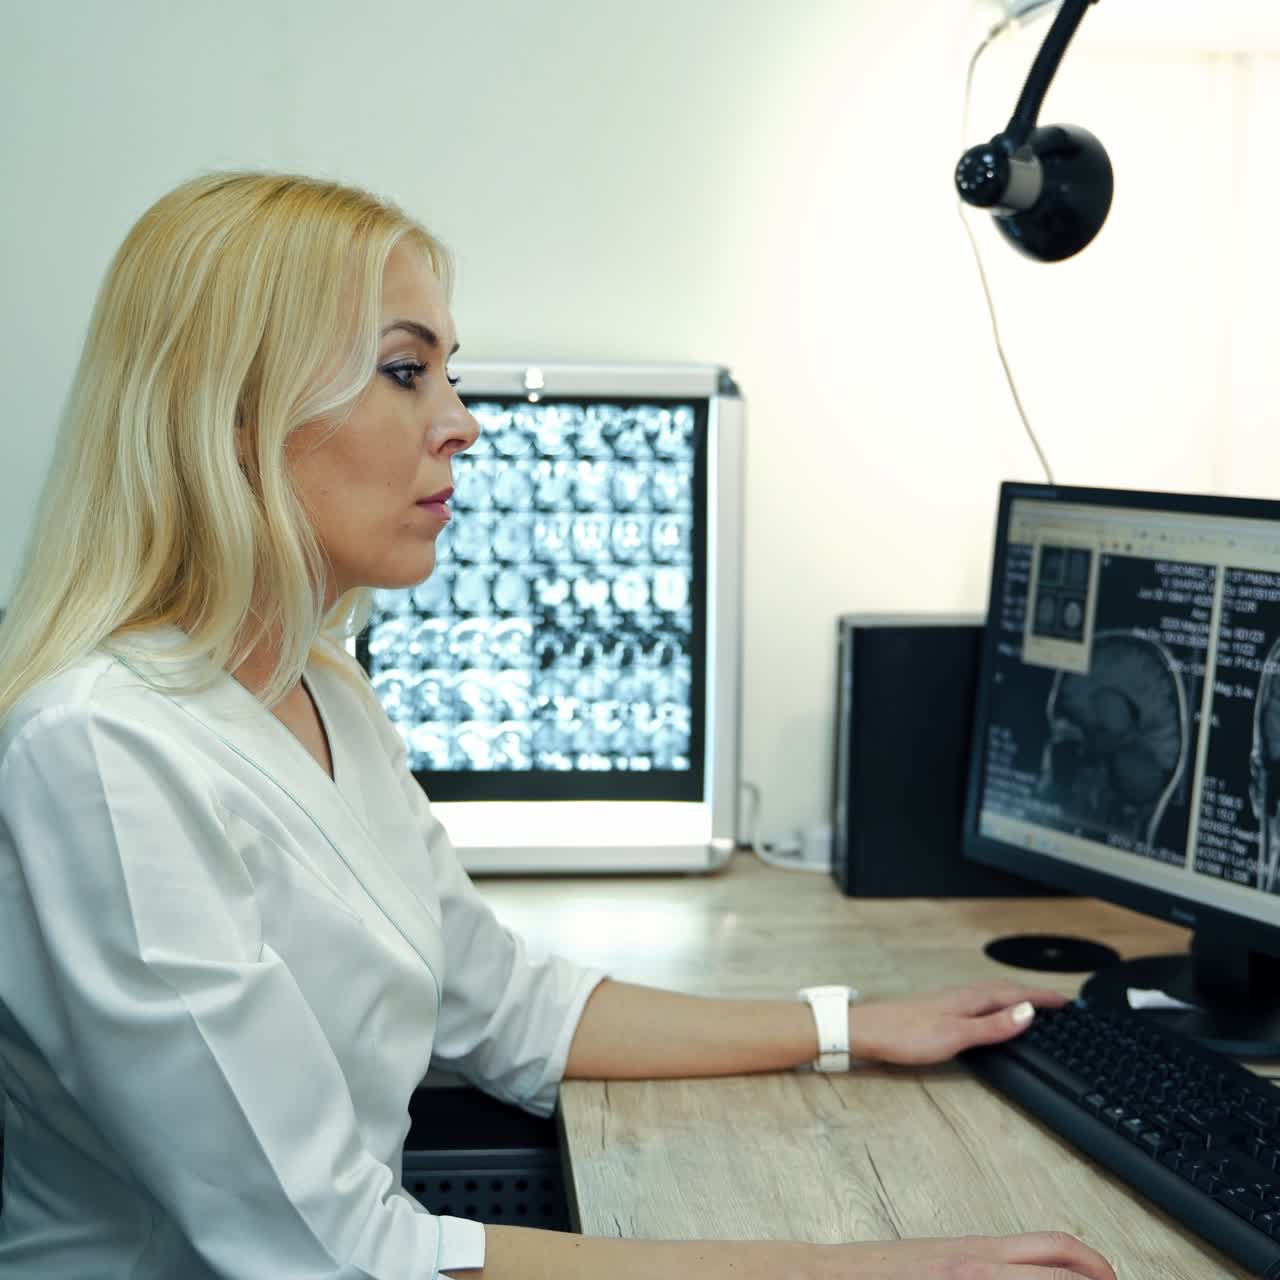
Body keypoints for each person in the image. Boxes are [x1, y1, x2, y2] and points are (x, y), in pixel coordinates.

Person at [0, 171, 1116, 1280]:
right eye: (404, 371)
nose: (462, 423)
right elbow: (335, 1249)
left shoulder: (321, 690)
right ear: (234, 418)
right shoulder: (101, 751)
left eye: (447, 372)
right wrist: (874, 1270)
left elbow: (506, 1006)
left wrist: (849, 1023)